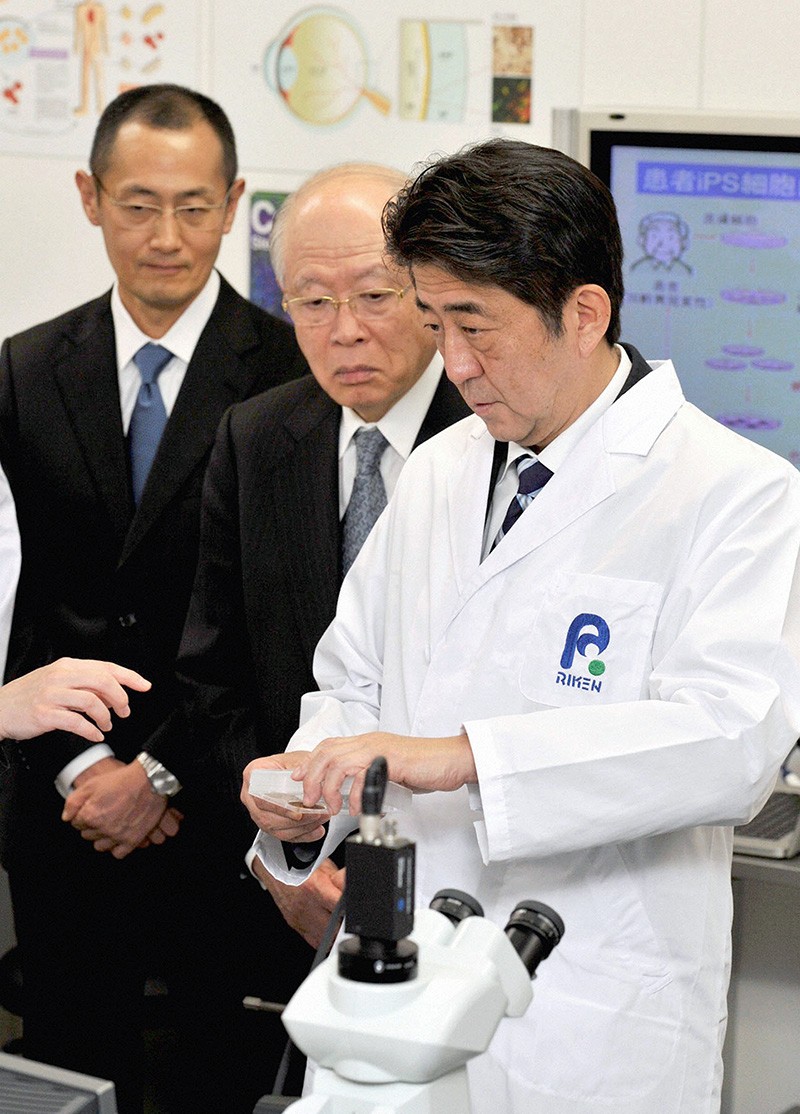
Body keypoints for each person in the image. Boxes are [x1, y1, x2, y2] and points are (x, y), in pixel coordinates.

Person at [241, 139, 800, 1114]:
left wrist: (459, 756)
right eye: (433, 322)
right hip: (395, 991)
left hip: (588, 1011)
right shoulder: (439, 473)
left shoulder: (733, 494)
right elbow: (353, 683)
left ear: (582, 312)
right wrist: (305, 785)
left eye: (475, 327)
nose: (450, 363)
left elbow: (729, 738)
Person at [0, 83, 307, 1113]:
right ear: (89, 198)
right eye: (137, 203)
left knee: (213, 1072)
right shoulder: (26, 368)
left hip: (216, 813)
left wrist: (159, 774)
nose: (166, 235)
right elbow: (17, 602)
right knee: (65, 1067)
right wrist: (87, 764)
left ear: (233, 204)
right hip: (59, 808)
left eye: (191, 204)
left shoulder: (291, 380)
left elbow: (282, 621)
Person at [139, 162, 467, 1103]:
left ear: (430, 290)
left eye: (375, 295)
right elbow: (212, 680)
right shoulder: (258, 435)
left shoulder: (493, 434)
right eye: (312, 302)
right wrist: (285, 857)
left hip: (452, 877)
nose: (345, 331)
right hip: (285, 893)